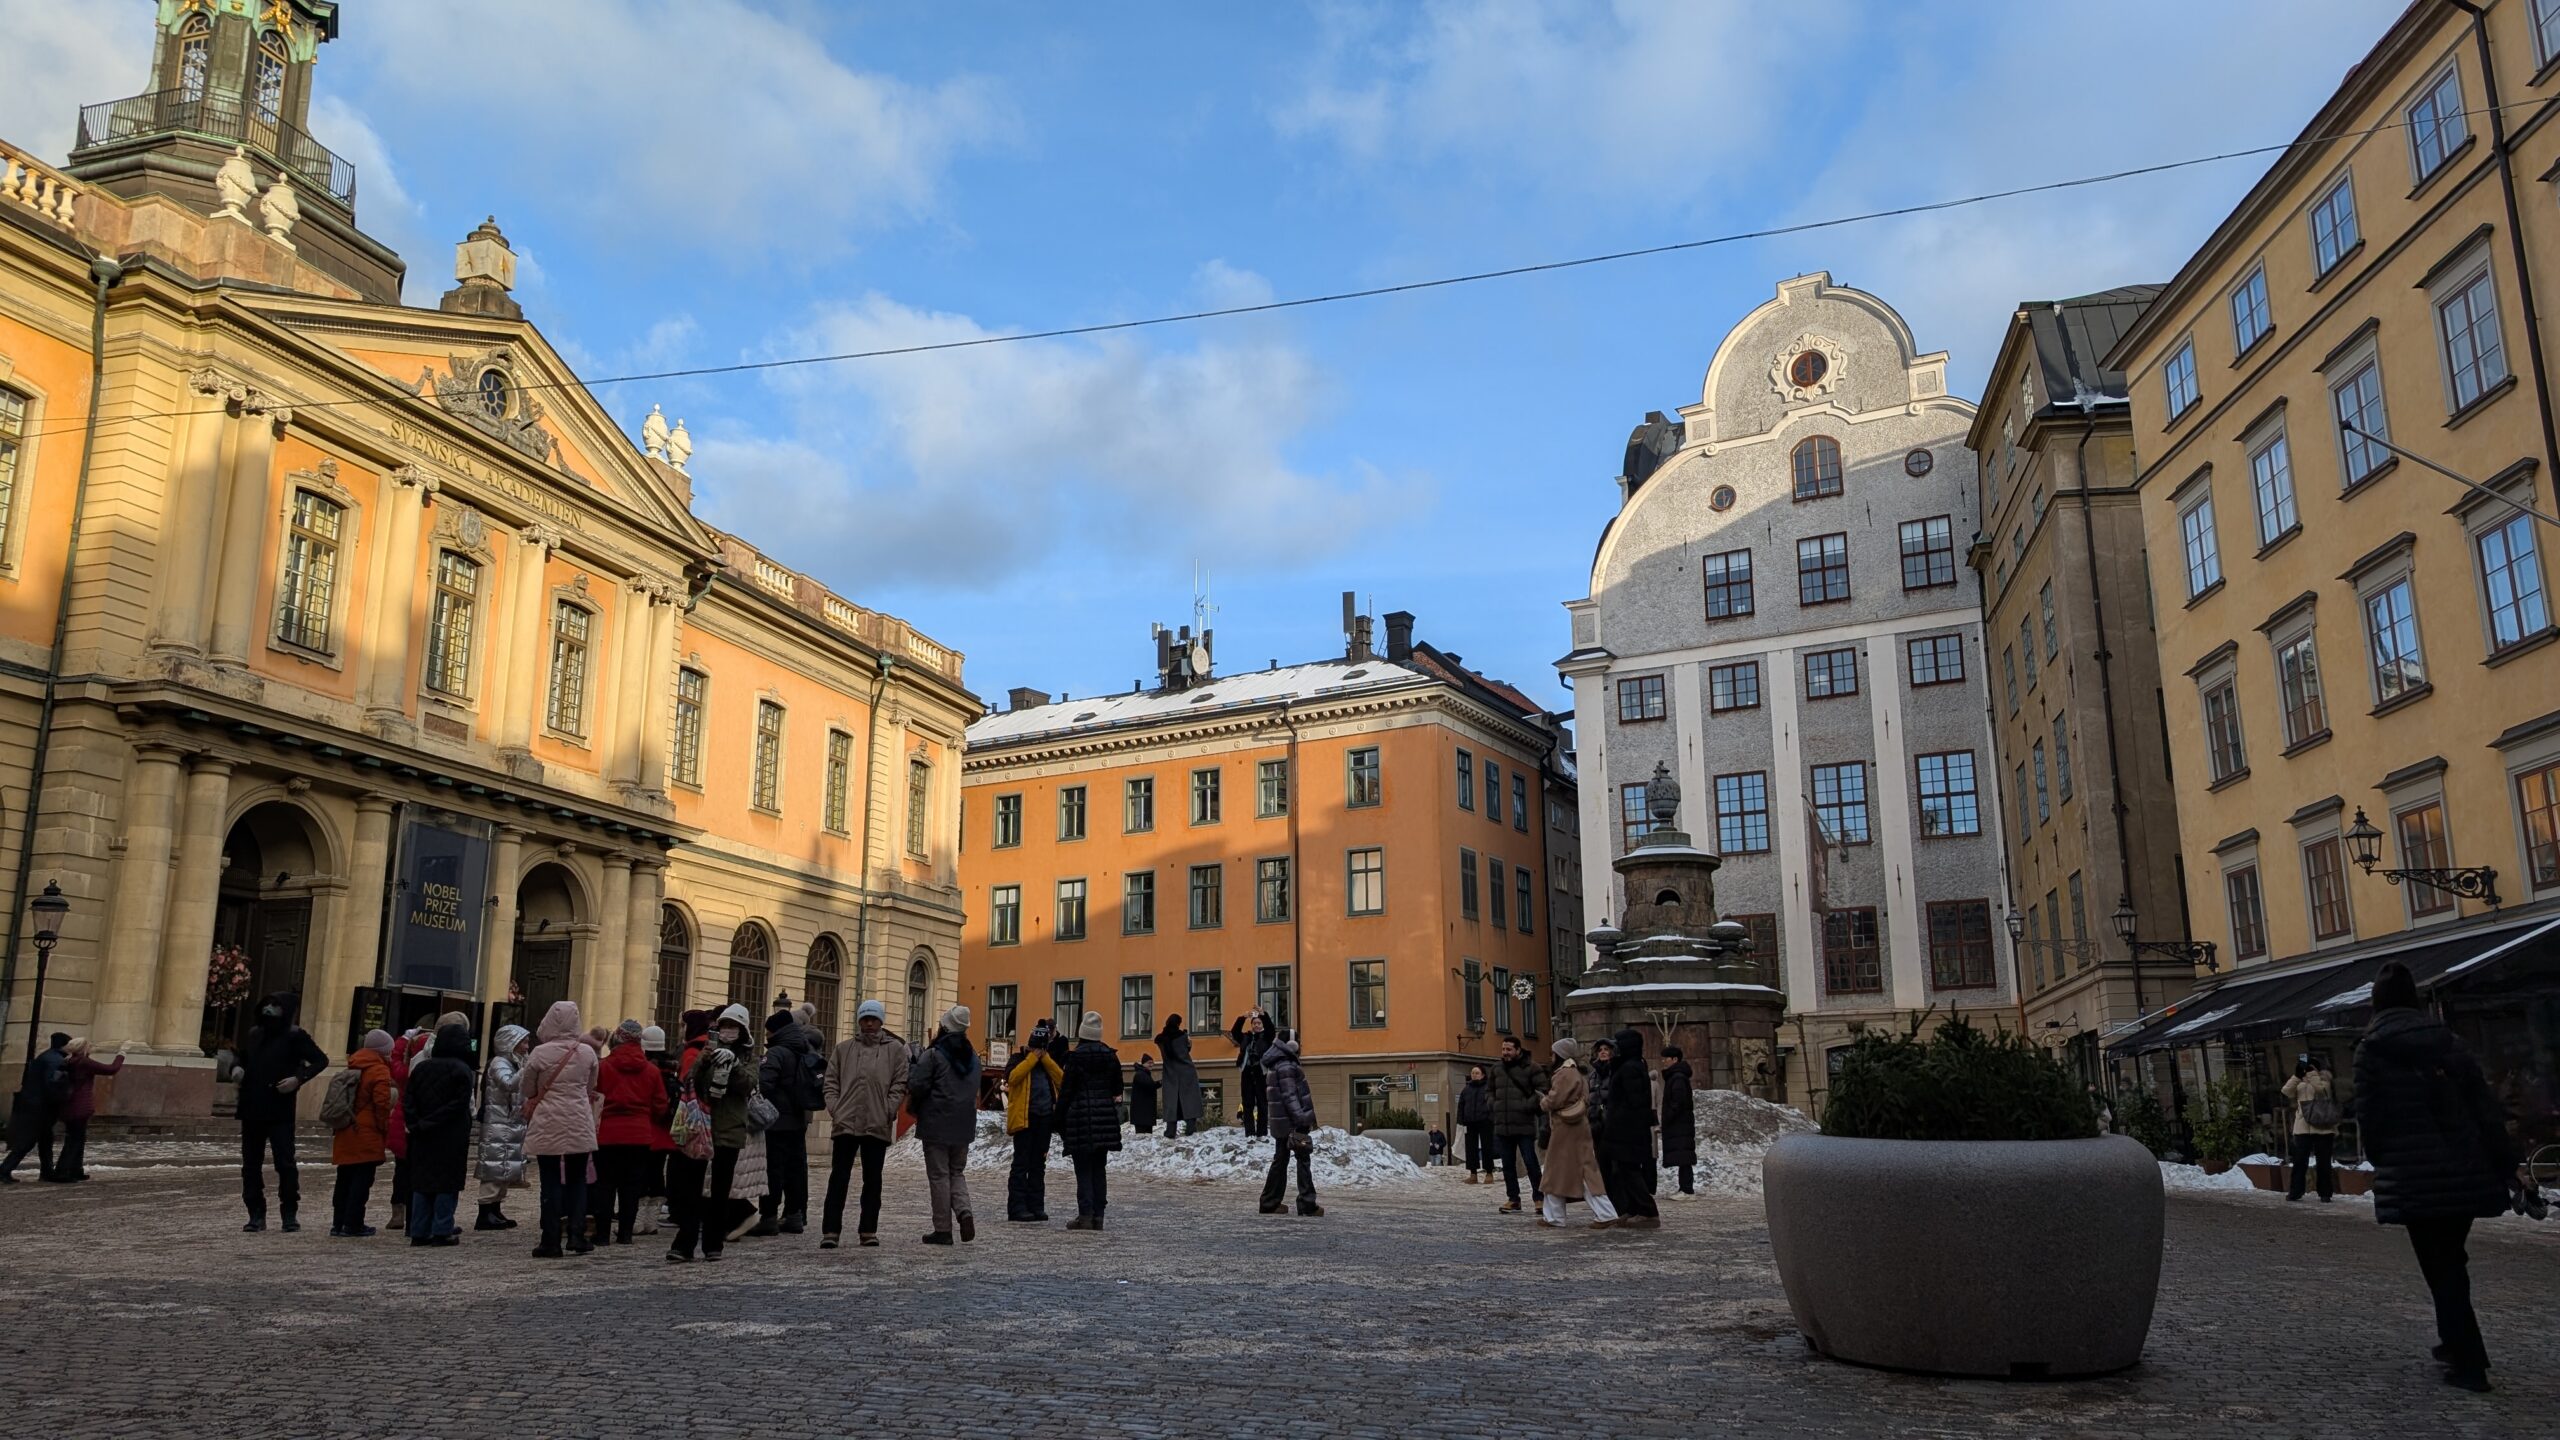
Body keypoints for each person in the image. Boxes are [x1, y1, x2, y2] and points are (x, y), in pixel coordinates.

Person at [2354, 961, 2518, 1393]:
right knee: (2451, 1261)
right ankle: (2457, 1344)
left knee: (2440, 1265)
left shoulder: (2372, 1049)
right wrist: (2504, 1161)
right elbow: (2484, 1108)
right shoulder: (2450, 1043)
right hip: (2463, 1168)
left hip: (2413, 1174)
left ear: (2377, 1001)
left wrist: (2384, 1159)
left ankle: (2469, 1362)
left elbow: (2370, 1119)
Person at [236, 992, 329, 1232]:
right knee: (250, 1164)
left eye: (274, 1006)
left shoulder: (295, 1036)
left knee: (285, 1163)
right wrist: (236, 1068)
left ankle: (289, 1211)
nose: (269, 1010)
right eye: (266, 1004)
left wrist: (299, 1079)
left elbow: (320, 1060)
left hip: (279, 1108)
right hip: (252, 1106)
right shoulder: (255, 1034)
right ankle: (255, 1212)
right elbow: (242, 1058)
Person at [670, 1004, 755, 1262]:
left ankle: (713, 1243)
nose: (729, 1031)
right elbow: (691, 1078)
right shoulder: (707, 1050)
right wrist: (707, 1057)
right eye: (725, 1026)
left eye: (734, 1027)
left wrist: (735, 1065)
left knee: (720, 1190)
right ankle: (684, 1243)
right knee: (692, 1187)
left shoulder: (750, 1057)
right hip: (701, 1126)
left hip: (729, 1129)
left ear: (742, 1031)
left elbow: (748, 1085)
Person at [822, 999, 908, 1248]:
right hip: (846, 1120)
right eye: (865, 1018)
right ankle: (830, 1230)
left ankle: (868, 1229)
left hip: (876, 1121)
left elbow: (899, 1083)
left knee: (873, 1179)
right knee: (839, 1177)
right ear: (859, 1021)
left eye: (873, 1018)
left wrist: (889, 1109)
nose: (869, 1023)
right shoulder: (843, 1049)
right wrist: (835, 1108)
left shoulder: (895, 1050)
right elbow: (831, 1081)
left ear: (881, 1021)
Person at [521, 1000, 602, 1259]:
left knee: (550, 1180)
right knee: (578, 1180)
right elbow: (591, 1088)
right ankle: (577, 1235)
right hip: (578, 1119)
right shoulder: (588, 1053)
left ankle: (551, 1239)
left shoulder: (539, 1053)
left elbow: (527, 1090)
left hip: (548, 1120)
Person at [908, 1005, 981, 1245]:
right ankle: (964, 1211)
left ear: (944, 1026)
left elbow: (917, 1084)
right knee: (956, 1172)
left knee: (939, 1175)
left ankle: (943, 1229)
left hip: (936, 1122)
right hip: (964, 1123)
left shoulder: (934, 1054)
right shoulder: (974, 1058)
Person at [402, 1022, 477, 1246]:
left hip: (422, 1135)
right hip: (450, 1134)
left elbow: (409, 1099)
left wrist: (416, 1123)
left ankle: (418, 1229)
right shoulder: (461, 1070)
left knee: (422, 1182)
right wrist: (432, 1122)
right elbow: (459, 1104)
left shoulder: (422, 1068)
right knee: (447, 1183)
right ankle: (441, 1228)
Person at [597, 1020, 671, 1245]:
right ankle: (626, 1234)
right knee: (631, 1186)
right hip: (639, 1134)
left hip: (607, 1134)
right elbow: (660, 1106)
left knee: (605, 1184)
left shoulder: (603, 1067)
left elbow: (593, 1099)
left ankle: (601, 1235)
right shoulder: (651, 1070)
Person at [758, 1007, 826, 1235]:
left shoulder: (777, 1053)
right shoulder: (805, 1050)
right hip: (798, 1120)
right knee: (795, 1169)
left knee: (773, 1169)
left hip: (776, 1121)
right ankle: (794, 1215)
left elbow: (764, 1084)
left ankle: (768, 1216)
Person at [1537, 1038, 1617, 1230]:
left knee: (1559, 1171)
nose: (1551, 1055)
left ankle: (1555, 1217)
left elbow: (1555, 1099)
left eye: (1553, 1052)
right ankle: (1603, 1213)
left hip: (1566, 1128)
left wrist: (1544, 1102)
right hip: (1577, 1126)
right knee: (1583, 1169)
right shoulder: (1578, 1073)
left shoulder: (1564, 1074)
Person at [1057, 1011, 1125, 1230]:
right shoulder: (1110, 1056)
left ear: (1082, 1033)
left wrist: (1057, 1119)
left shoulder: (1075, 1057)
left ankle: (1085, 1215)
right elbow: (1117, 1088)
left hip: (1080, 1118)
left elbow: (1066, 1092)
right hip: (1104, 1118)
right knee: (1099, 1167)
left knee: (1083, 1168)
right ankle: (1099, 1216)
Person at [327, 1030, 396, 1237]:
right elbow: (381, 1104)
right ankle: (353, 1223)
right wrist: (385, 1129)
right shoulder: (379, 1071)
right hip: (367, 1132)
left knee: (344, 1178)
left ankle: (338, 1223)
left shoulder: (354, 1064)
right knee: (361, 1181)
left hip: (346, 1128)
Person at [1596, 1029, 1660, 1228]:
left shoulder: (1630, 1068)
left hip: (1627, 1130)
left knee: (1629, 1170)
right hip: (1623, 1129)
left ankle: (1647, 1211)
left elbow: (1634, 1101)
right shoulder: (1628, 1066)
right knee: (1622, 1171)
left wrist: (1618, 1119)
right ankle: (1632, 1209)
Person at [1258, 1028, 1322, 1217]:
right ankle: (1307, 1204)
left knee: (1280, 1160)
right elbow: (1290, 1096)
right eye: (1298, 1041)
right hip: (1293, 1123)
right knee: (1303, 1160)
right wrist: (1302, 1119)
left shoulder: (1277, 1064)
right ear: (1291, 1044)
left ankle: (1269, 1203)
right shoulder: (1286, 1065)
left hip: (1282, 1123)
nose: (1301, 1045)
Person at [1006, 1019, 1065, 1222]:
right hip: (1024, 1118)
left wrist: (1046, 1059)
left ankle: (1036, 1206)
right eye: (1036, 1046)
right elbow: (1012, 1078)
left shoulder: (1048, 1062)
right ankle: (1017, 1207)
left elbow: (1061, 1080)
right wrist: (1031, 1059)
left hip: (1044, 1119)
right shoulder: (1017, 1058)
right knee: (1021, 1163)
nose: (1038, 1050)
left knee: (1038, 1164)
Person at [475, 1023, 531, 1231]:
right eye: (523, 1042)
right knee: (493, 1169)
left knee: (504, 1169)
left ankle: (495, 1209)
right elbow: (507, 1084)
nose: (527, 1046)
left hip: (510, 1123)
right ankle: (485, 1213)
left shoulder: (514, 1062)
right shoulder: (499, 1062)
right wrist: (527, 1069)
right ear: (511, 1043)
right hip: (498, 1123)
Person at [1486, 1034, 1547, 1213]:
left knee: (1530, 1161)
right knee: (1507, 1164)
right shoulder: (1496, 1069)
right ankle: (1513, 1199)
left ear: (1518, 1050)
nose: (1505, 1052)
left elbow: (1541, 1092)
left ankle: (1539, 1197)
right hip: (1502, 1124)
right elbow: (1489, 1091)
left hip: (1524, 1123)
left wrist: (1525, 1106)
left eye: (1509, 1049)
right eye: (1503, 1049)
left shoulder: (1532, 1068)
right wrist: (1493, 1104)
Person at [1, 1031, 72, 1183]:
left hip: (35, 1104)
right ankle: (4, 1170)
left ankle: (47, 1171)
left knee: (45, 1140)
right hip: (41, 1107)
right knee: (28, 1141)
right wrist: (63, 1098)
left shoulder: (46, 1056)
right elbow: (53, 1083)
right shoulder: (56, 1060)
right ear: (64, 1045)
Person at [52, 1038, 126, 1183]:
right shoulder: (83, 1062)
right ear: (84, 1048)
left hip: (69, 1105)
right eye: (89, 1046)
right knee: (75, 1140)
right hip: (80, 1105)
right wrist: (121, 1054)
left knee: (75, 1139)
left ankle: (74, 1170)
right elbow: (111, 1069)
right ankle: (64, 1172)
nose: (91, 1047)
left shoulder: (70, 1061)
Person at [2282, 1055, 2341, 1203]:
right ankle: (2295, 1191)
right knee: (2300, 1161)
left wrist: (2312, 1073)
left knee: (2324, 1162)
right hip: (2302, 1127)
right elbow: (2286, 1092)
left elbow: (2322, 1091)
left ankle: (2325, 1193)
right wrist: (2297, 1075)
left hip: (2323, 1127)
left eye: (2310, 1066)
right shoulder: (2300, 1080)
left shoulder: (2324, 1079)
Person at [637, 1024, 676, 1234]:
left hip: (647, 1129)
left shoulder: (648, 1069)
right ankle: (651, 1222)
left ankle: (639, 1221)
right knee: (657, 1174)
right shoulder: (671, 1070)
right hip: (665, 1132)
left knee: (642, 1174)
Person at [1658, 1045, 1697, 1196]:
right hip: (1681, 1124)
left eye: (1666, 1058)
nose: (1663, 1062)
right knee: (1683, 1157)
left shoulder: (1678, 1077)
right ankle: (1684, 1188)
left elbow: (1678, 1102)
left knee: (1683, 1157)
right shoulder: (1676, 1076)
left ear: (1675, 1059)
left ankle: (1687, 1190)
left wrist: (1668, 1117)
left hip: (1680, 1124)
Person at [1156, 1015, 1203, 1138]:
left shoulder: (1160, 1039)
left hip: (1170, 1072)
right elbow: (1184, 1051)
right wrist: (1189, 1045)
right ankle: (1191, 1128)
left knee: (1172, 1101)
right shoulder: (1182, 1036)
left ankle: (1170, 1130)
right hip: (1186, 1071)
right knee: (1189, 1100)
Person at [1230, 1008, 1273, 1138]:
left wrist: (1264, 1015)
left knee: (1262, 1103)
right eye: (1254, 1023)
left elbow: (1271, 1028)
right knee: (1247, 1103)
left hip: (1261, 1072)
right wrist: (1242, 1018)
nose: (1257, 1025)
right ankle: (1249, 1132)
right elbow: (1234, 1032)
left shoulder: (1267, 1037)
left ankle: (1262, 1132)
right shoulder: (1246, 1037)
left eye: (1259, 1023)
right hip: (1247, 1072)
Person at [1456, 1064, 1493, 1185]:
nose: (1474, 1075)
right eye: (1472, 1073)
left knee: (1487, 1147)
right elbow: (1461, 1105)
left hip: (1485, 1121)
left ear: (1483, 1075)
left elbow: (1493, 1104)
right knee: (1470, 1149)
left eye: (1477, 1073)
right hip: (1469, 1122)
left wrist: (1491, 1117)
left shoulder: (1488, 1088)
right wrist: (1460, 1120)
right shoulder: (1466, 1089)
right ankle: (1473, 1174)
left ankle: (1489, 1173)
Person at [1129, 1055, 1160, 1134]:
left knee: (1146, 1138)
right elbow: (1150, 1085)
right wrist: (1160, 1083)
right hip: (1142, 1116)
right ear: (1143, 1064)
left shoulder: (1144, 1074)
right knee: (1142, 1138)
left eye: (1152, 1063)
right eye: (1149, 1063)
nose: (1151, 1065)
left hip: (1144, 1115)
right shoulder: (1140, 1074)